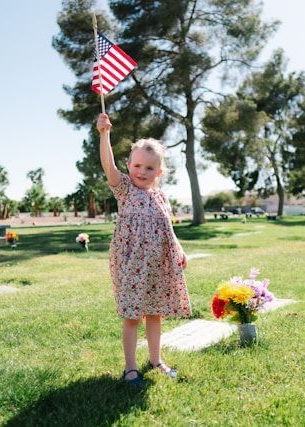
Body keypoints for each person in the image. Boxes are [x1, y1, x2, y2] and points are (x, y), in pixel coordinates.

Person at [97, 113, 191, 385]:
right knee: (132, 314)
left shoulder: (161, 196)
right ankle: (130, 367)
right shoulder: (125, 189)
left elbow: (167, 227)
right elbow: (108, 166)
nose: (142, 171)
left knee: (154, 312)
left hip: (158, 263)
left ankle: (155, 358)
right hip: (130, 262)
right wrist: (105, 135)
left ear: (158, 172)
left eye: (149, 168)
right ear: (128, 166)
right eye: (137, 165)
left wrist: (180, 248)